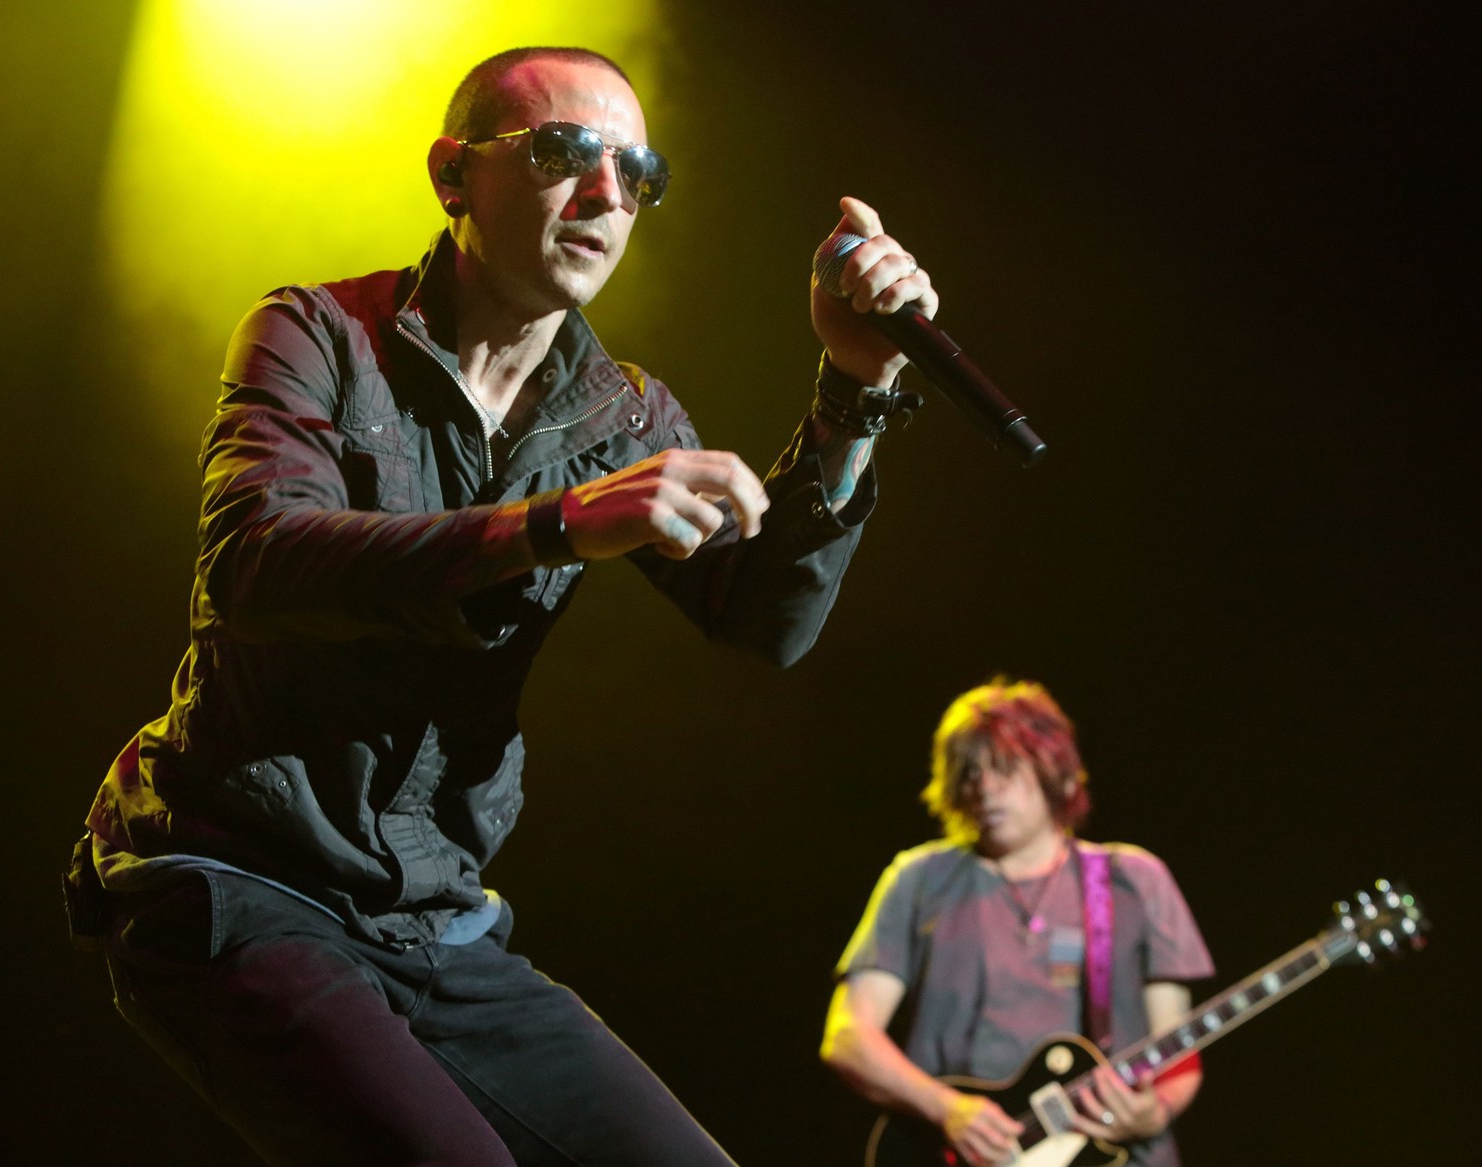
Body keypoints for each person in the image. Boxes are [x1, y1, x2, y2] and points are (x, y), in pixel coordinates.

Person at [67, 46, 939, 1167]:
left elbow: (765, 622)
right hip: (238, 875)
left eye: (638, 170)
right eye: (565, 152)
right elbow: (257, 565)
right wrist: (558, 523)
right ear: (452, 176)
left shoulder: (622, 412)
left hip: (433, 921)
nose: (606, 193)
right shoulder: (319, 336)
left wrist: (856, 388)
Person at [822, 680, 1215, 1167]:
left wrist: (1154, 1114)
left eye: (1005, 770)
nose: (984, 788)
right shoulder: (918, 879)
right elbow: (848, 1036)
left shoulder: (1133, 880)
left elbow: (1178, 1049)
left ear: (1058, 773)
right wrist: (946, 1109)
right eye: (969, 772)